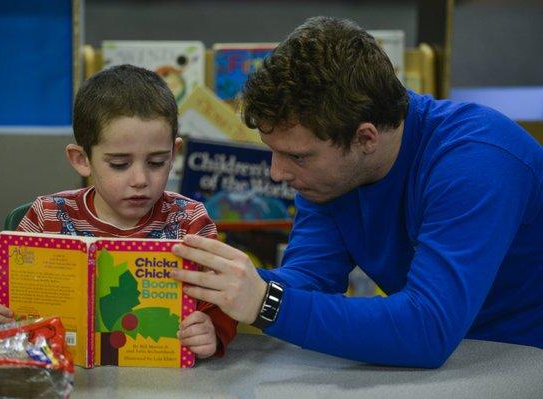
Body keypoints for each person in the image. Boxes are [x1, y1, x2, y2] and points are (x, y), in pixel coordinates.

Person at [170, 16, 543, 368]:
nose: (278, 172)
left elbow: (428, 328)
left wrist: (265, 302)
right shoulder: (334, 172)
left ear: (365, 138)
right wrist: (215, 285)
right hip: (454, 366)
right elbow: (311, 278)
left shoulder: (477, 162)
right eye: (274, 150)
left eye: (297, 156)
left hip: (522, 363)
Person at [0, 65, 237, 359]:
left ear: (173, 154)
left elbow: (222, 303)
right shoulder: (45, 216)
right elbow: (0, 294)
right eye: (119, 164)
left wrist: (212, 330)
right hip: (64, 373)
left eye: (156, 162)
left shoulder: (190, 221)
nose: (140, 179)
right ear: (82, 159)